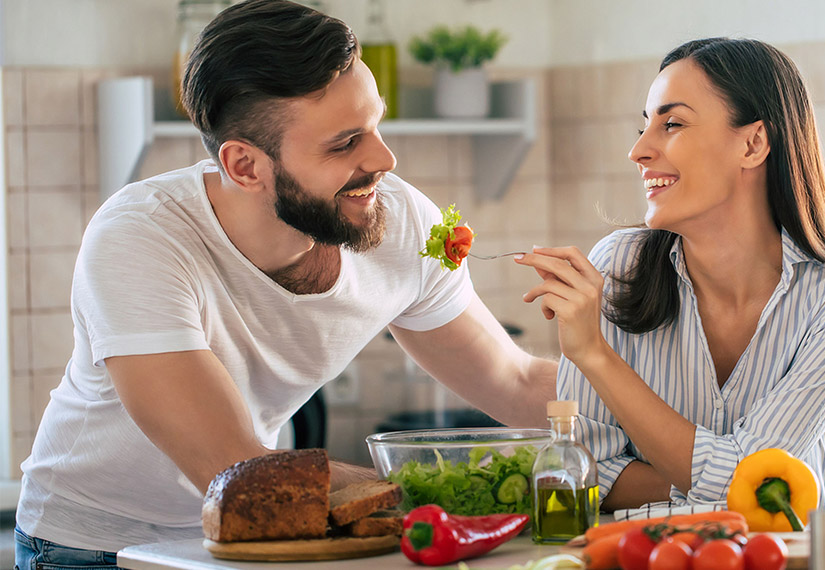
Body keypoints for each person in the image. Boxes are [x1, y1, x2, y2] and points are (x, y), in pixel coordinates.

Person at [14, 0, 555, 564]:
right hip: (94, 544)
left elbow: (513, 381)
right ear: (245, 166)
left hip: (264, 534)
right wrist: (456, 496)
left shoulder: (397, 220)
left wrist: (646, 412)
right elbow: (234, 465)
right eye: (345, 143)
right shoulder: (141, 237)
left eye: (376, 125)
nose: (385, 159)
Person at [515, 38, 825, 512]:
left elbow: (752, 480)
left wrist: (595, 355)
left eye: (671, 124)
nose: (638, 151)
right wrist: (717, 485)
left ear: (752, 144)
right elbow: (584, 473)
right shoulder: (616, 267)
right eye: (644, 126)